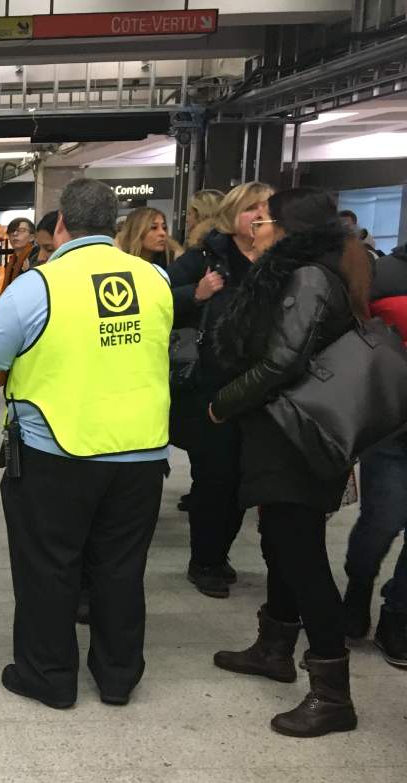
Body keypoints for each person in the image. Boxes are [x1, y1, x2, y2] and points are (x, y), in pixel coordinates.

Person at [0, 178, 172, 709]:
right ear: (114, 224)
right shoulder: (154, 278)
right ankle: (118, 676)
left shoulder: (39, 284)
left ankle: (49, 675)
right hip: (143, 449)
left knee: (50, 565)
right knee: (121, 568)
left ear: (60, 224)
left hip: (56, 450)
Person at [210, 187, 371, 737]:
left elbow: (281, 360)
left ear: (287, 229)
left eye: (264, 214)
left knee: (301, 557)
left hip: (295, 437)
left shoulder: (306, 278)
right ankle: (273, 648)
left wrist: (221, 403)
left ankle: (332, 694)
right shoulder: (316, 270)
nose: (254, 219)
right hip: (289, 433)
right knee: (282, 543)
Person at [167, 181, 273, 598]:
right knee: (215, 481)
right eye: (252, 208)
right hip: (211, 388)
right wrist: (196, 293)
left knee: (245, 481)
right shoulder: (205, 259)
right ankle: (205, 560)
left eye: (266, 207)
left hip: (263, 389)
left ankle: (218, 553)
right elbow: (160, 302)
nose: (261, 215)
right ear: (232, 215)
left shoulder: (278, 262)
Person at [341, 241, 407, 666]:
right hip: (392, 426)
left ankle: (397, 616)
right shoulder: (386, 273)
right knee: (382, 521)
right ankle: (359, 584)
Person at [116, 207, 183, 272]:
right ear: (136, 232)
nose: (162, 233)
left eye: (164, 227)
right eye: (154, 227)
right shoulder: (118, 259)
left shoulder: (174, 261)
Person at [2, 216, 35, 288]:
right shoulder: (12, 260)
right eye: (12, 230)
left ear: (32, 237)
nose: (15, 234)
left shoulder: (35, 257)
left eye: (22, 230)